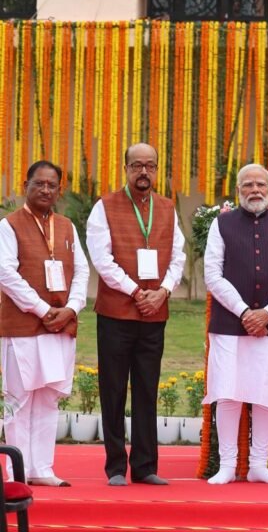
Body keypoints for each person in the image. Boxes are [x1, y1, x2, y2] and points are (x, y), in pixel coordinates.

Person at [87, 143, 186, 486]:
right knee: (113, 389)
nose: (144, 172)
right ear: (125, 168)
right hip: (116, 314)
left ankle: (145, 466)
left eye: (150, 165)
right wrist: (135, 292)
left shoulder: (168, 207)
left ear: (157, 169)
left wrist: (163, 291)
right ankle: (116, 466)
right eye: (137, 165)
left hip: (154, 314)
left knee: (147, 389)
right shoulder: (104, 206)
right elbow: (102, 259)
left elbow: (178, 256)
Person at [203, 163, 268, 485]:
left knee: (267, 394)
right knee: (228, 393)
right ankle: (228, 465)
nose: (255, 190)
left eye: (261, 184)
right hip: (230, 324)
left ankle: (259, 465)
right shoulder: (221, 224)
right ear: (238, 190)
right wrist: (245, 312)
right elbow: (212, 274)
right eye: (248, 184)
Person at [0, 160, 89, 487]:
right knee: (19, 399)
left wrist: (72, 308)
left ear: (59, 190)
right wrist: (42, 310)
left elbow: (82, 271)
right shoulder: (8, 226)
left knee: (48, 397)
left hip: (60, 325)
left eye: (52, 185)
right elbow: (6, 273)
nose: (46, 190)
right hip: (23, 326)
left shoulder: (66, 226)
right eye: (39, 183)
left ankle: (42, 468)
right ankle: (18, 472)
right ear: (26, 185)